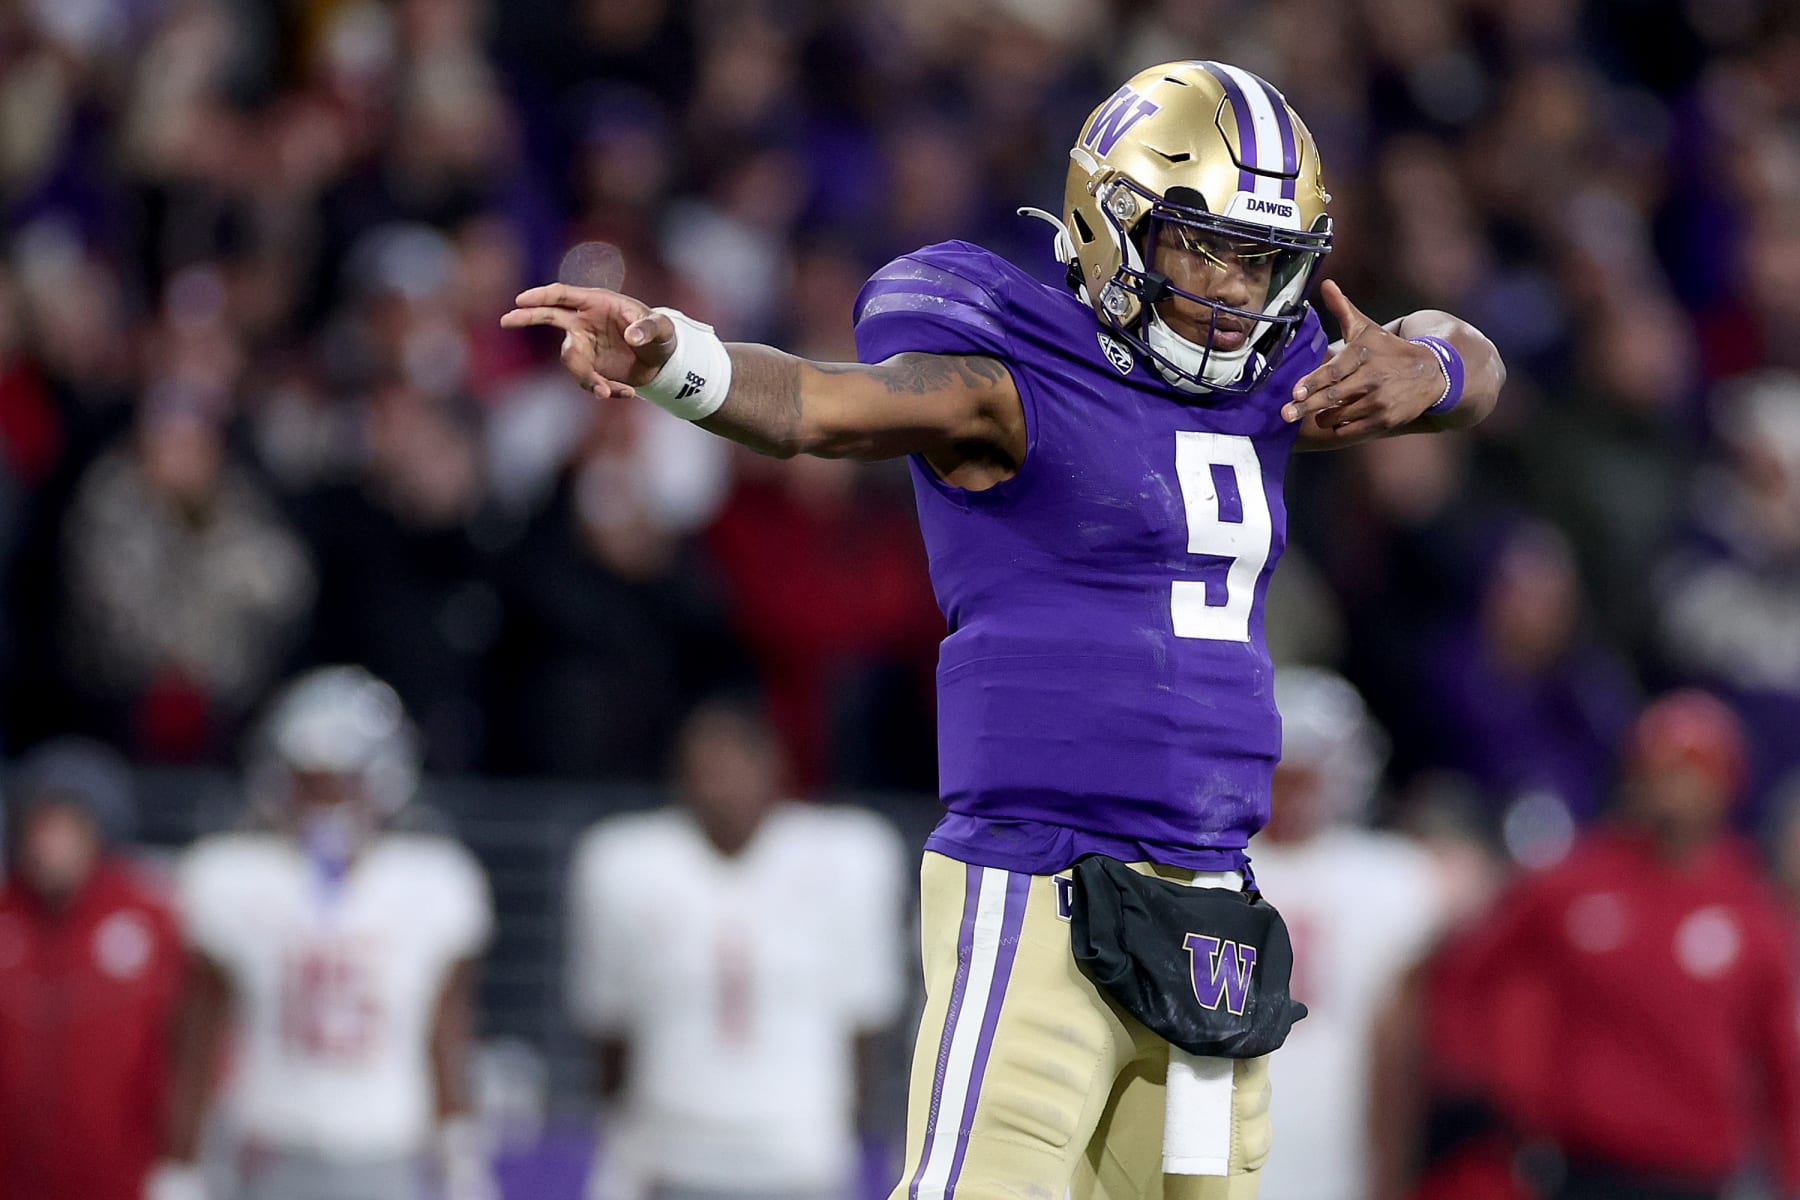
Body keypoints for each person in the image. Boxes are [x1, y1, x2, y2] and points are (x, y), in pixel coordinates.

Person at [506, 60, 1504, 1200]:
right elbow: (816, 407)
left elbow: (1478, 365)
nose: (1231, 289)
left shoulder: (1269, 389)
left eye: (1259, 259)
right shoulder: (1010, 381)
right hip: (1045, 877)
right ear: (1108, 221)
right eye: (1201, 246)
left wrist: (1423, 367)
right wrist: (675, 357)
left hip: (1216, 890)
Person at [149, 665, 497, 1200]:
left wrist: (461, 1156)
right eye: (310, 780)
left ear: (385, 781)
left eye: (346, 780)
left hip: (385, 1151)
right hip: (269, 1150)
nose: (328, 801)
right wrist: (182, 1163)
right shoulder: (232, 877)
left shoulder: (433, 882)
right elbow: (198, 1036)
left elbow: (447, 1032)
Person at [1443, 690, 1800, 1200]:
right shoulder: (1573, 882)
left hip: (1692, 1176)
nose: (1670, 785)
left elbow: (1779, 1063)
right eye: (1656, 766)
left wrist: (1792, 1174)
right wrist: (1501, 1093)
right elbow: (1472, 974)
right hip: (1578, 1167)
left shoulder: (1751, 910)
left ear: (1726, 782)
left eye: (1688, 768)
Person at [565, 695, 906, 1200]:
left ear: (772, 767)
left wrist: (847, 1135)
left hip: (801, 1154)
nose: (717, 787)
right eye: (702, 770)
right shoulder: (624, 864)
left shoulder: (847, 858)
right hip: (673, 1153)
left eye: (731, 766)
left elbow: (867, 1026)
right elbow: (610, 1032)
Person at [1244, 669, 1447, 1200]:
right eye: (1281, 772)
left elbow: (1399, 1046)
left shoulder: (1392, 877)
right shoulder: (1205, 867)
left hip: (1332, 1148)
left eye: (1308, 774)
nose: (1292, 792)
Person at [0, 738, 184, 1200]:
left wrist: (182, 1157)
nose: (48, 845)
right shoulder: (7, 913)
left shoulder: (150, 916)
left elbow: (190, 1043)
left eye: (66, 826)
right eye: (37, 825)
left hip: (117, 1173)